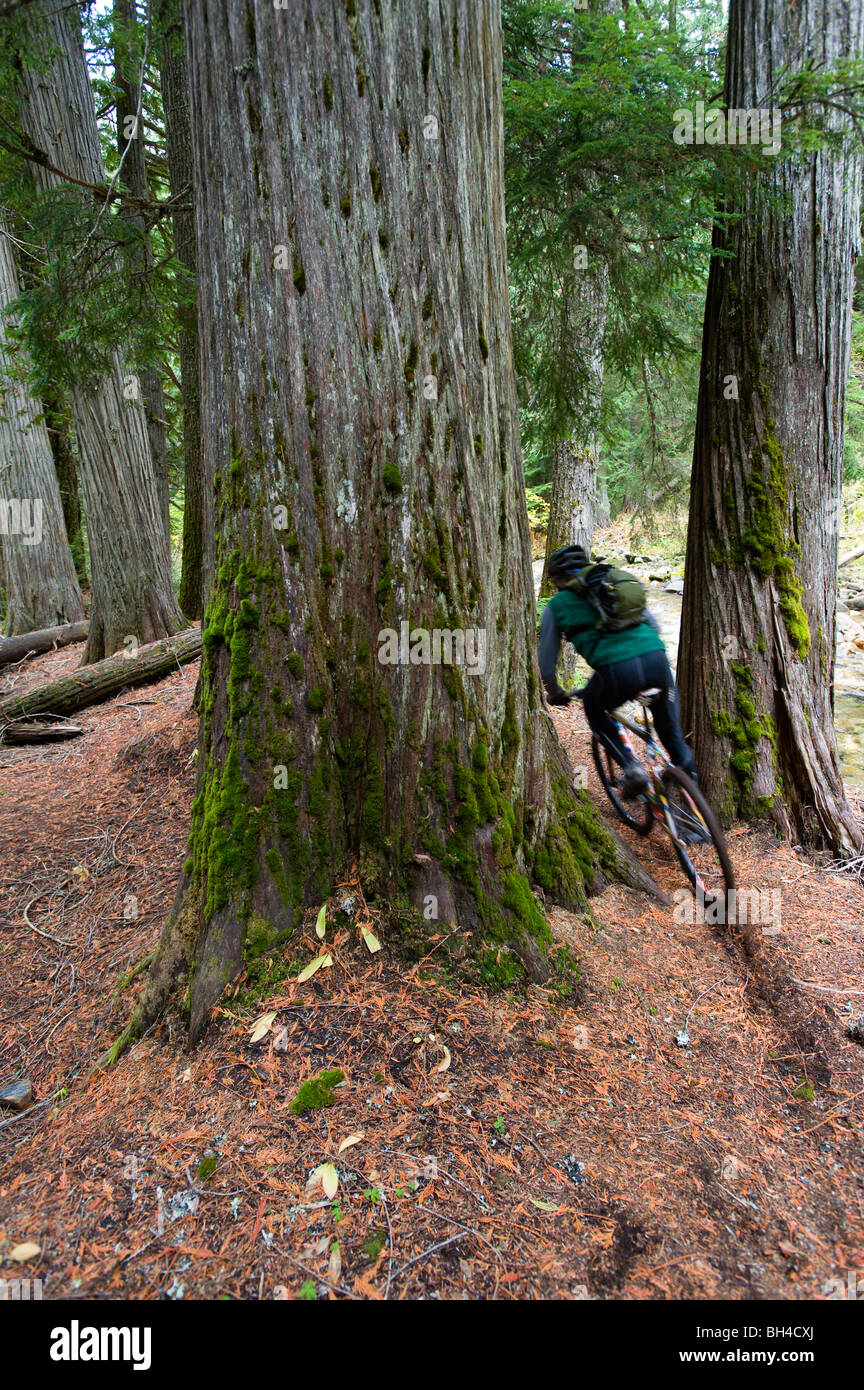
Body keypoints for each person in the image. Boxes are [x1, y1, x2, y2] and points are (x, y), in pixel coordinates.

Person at [539, 543, 698, 798]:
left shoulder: (557, 606)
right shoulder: (613, 583)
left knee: (594, 708)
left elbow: (546, 664)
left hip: (617, 671)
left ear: (557, 579)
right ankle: (694, 816)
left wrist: (555, 692)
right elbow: (654, 625)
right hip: (657, 661)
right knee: (673, 736)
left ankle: (632, 769)